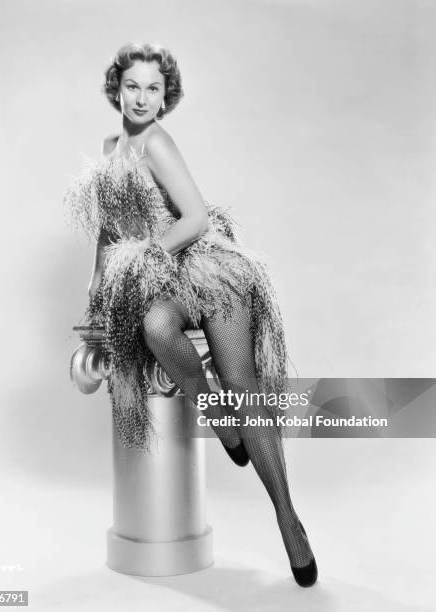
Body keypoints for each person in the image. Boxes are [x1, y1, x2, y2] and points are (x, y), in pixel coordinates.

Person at [64, 42, 318, 587]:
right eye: (133, 85)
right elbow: (110, 230)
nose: (142, 97)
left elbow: (197, 218)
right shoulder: (111, 146)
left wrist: (145, 259)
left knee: (242, 385)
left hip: (206, 270)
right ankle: (216, 418)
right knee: (156, 326)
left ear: (165, 96)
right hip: (162, 282)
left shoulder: (156, 141)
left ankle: (288, 521)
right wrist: (96, 283)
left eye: (153, 88)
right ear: (118, 87)